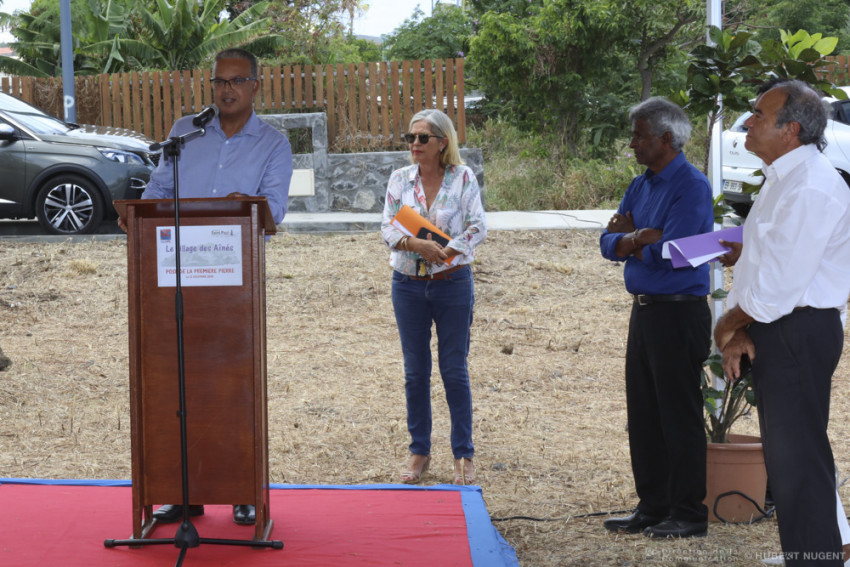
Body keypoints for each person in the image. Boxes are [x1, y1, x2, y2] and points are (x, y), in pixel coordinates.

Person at [141, 48, 293, 526]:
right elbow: (157, 193)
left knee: (232, 388)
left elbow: (274, 210)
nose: (226, 89)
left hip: (235, 287)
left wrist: (243, 204)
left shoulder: (273, 143)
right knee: (177, 385)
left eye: (236, 81)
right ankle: (185, 493)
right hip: (174, 279)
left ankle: (242, 489)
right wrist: (140, 219)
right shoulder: (184, 132)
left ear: (255, 87)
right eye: (218, 81)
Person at [714, 80, 850, 566]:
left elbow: (778, 288)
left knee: (798, 465)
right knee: (791, 461)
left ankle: (815, 559)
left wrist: (728, 324)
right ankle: (813, 554)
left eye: (758, 114)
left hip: (797, 328)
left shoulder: (811, 185)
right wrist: (742, 330)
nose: (747, 121)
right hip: (780, 326)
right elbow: (766, 268)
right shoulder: (784, 179)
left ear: (790, 130)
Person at [600, 97, 713, 539]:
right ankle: (652, 506)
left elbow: (680, 255)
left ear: (666, 139)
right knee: (644, 412)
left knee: (678, 414)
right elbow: (607, 242)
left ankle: (688, 513)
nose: (632, 144)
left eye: (639, 135)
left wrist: (635, 243)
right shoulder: (639, 184)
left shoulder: (692, 186)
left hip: (680, 313)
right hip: (644, 310)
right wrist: (634, 238)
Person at [380, 109, 486, 485]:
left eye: (423, 138)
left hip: (453, 283)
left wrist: (448, 251)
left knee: (454, 370)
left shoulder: (464, 177)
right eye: (410, 138)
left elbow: (478, 225)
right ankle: (419, 451)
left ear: (443, 142)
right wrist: (416, 244)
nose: (414, 145)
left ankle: (463, 455)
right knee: (415, 371)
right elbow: (388, 227)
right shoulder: (400, 179)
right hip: (407, 284)